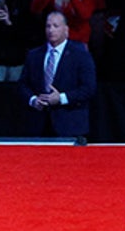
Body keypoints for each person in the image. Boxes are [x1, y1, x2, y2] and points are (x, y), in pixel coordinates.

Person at [21, 10, 96, 139]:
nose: (51, 30)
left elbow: (88, 88)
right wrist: (33, 100)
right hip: (38, 126)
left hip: (69, 125)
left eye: (55, 26)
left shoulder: (80, 55)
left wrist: (61, 98)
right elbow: (22, 85)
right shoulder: (34, 55)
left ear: (66, 30)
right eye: (48, 26)